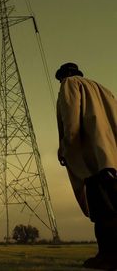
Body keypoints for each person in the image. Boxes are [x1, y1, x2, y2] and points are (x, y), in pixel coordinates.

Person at [55, 63, 117, 270]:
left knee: (103, 210)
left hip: (94, 160)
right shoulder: (102, 89)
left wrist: (65, 147)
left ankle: (108, 257)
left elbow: (71, 120)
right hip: (113, 157)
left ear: (63, 76)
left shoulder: (69, 85)